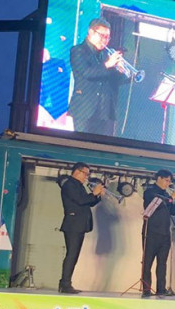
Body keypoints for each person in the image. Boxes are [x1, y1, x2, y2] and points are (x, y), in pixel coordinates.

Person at [69, 18, 128, 136]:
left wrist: (121, 71)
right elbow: (87, 73)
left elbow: (114, 82)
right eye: (102, 36)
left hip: (104, 112)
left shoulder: (106, 54)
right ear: (91, 32)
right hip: (84, 110)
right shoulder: (78, 50)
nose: (105, 40)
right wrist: (108, 64)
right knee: (82, 143)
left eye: (107, 37)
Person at [59, 162, 104, 294]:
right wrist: (93, 193)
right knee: (71, 254)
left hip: (79, 224)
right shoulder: (69, 184)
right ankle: (65, 284)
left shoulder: (78, 185)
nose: (87, 177)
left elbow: (88, 202)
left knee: (74, 255)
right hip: (73, 224)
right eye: (86, 174)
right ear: (77, 172)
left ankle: (66, 283)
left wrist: (98, 195)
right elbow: (81, 200)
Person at [141, 169, 175, 298]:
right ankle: (146, 290)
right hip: (151, 232)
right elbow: (155, 205)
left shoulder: (166, 194)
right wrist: (171, 198)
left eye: (169, 181)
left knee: (162, 263)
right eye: (166, 180)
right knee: (147, 262)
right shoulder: (150, 192)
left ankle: (161, 289)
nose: (168, 183)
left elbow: (172, 212)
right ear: (159, 178)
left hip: (165, 233)